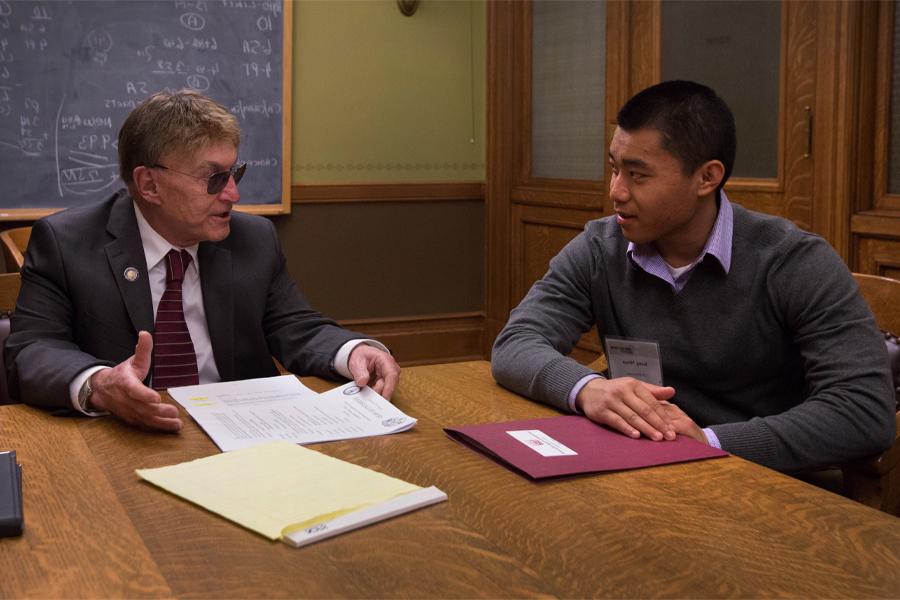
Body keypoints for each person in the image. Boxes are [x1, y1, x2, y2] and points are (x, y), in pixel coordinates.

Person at [492, 80, 895, 473]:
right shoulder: (602, 246)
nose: (616, 191)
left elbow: (862, 409)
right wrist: (587, 390)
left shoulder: (793, 261)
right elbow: (517, 342)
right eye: (614, 169)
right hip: (633, 468)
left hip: (757, 482)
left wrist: (711, 442)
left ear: (707, 177)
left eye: (638, 175)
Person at [5, 89, 400, 432]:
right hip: (124, 437)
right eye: (213, 178)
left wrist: (354, 351)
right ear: (149, 184)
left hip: (248, 437)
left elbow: (295, 326)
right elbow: (33, 349)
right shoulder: (66, 243)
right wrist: (98, 385)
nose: (232, 194)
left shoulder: (254, 239)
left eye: (234, 174)